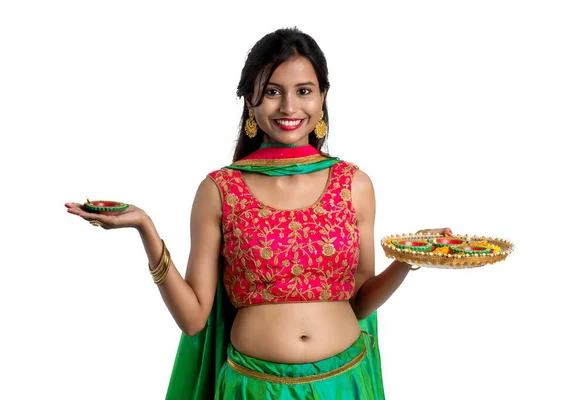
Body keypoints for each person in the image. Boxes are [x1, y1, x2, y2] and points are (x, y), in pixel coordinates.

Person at [65, 27, 451, 399]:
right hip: (254, 389)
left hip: (344, 381)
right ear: (250, 99)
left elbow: (360, 301)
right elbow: (194, 319)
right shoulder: (220, 190)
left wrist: (409, 258)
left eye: (304, 91)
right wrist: (146, 229)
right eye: (272, 91)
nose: (288, 107)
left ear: (322, 98)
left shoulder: (355, 184)